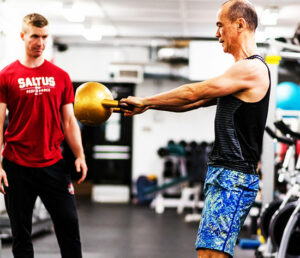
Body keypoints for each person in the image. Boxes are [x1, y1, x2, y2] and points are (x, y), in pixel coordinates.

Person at [121, 0, 270, 257]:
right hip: (223, 175)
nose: (216, 34)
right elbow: (195, 102)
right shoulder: (239, 72)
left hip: (233, 177)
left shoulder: (252, 69)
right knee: (209, 253)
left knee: (211, 254)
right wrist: (148, 107)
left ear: (240, 25)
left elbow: (193, 91)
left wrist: (146, 100)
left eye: (219, 26)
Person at [0, 13, 87, 258]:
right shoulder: (7, 76)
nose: (40, 42)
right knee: (21, 235)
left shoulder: (61, 76)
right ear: (22, 36)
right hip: (17, 166)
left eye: (44, 37)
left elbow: (69, 121)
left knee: (69, 227)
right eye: (35, 36)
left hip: (53, 165)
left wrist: (79, 155)